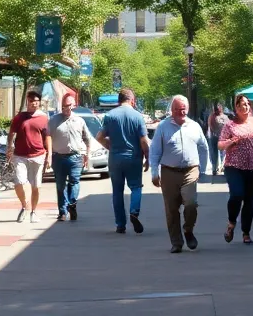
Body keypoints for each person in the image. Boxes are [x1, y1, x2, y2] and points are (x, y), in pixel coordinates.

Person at [150, 95, 208, 253]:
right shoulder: (163, 127)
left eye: (183, 109)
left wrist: (203, 170)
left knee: (191, 204)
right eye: (176, 109)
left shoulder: (194, 126)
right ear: (171, 109)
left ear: (187, 109)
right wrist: (154, 172)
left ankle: (188, 230)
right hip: (169, 172)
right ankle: (176, 242)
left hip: (190, 171)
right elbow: (155, 151)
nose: (180, 112)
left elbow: (203, 148)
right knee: (171, 209)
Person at [217, 94, 253, 245]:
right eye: (243, 104)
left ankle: (246, 232)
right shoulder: (230, 125)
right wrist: (230, 142)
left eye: (248, 103)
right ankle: (231, 223)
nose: (246, 106)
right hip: (234, 166)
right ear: (236, 107)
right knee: (237, 194)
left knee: (249, 200)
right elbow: (220, 145)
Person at [98, 87, 150, 234]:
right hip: (133, 157)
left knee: (117, 191)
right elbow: (143, 140)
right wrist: (147, 157)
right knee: (136, 187)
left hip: (115, 158)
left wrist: (109, 146)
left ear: (118, 101)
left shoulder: (110, 116)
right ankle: (134, 211)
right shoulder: (137, 116)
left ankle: (120, 224)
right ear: (132, 100)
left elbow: (99, 137)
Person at [49, 93, 94, 222]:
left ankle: (72, 204)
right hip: (58, 157)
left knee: (74, 181)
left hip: (75, 157)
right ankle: (62, 212)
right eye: (64, 106)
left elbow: (87, 139)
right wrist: (49, 154)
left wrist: (87, 154)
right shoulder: (54, 120)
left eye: (69, 105)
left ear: (74, 105)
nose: (66, 108)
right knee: (60, 186)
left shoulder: (79, 121)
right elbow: (47, 137)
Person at [8, 91, 51, 223]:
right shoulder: (19, 117)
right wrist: (9, 146)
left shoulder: (43, 118)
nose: (34, 103)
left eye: (36, 101)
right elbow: (11, 133)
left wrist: (49, 155)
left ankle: (33, 211)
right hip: (20, 155)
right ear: (27, 101)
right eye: (31, 101)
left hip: (38, 155)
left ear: (39, 102)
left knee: (36, 186)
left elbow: (48, 137)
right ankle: (24, 205)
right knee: (19, 182)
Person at [207, 103, 228, 177]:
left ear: (221, 108)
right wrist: (213, 132)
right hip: (214, 137)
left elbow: (227, 127)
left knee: (223, 153)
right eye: (216, 108)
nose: (217, 109)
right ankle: (214, 168)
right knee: (214, 153)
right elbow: (210, 125)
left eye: (219, 108)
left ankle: (222, 167)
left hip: (222, 138)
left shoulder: (225, 117)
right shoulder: (212, 116)